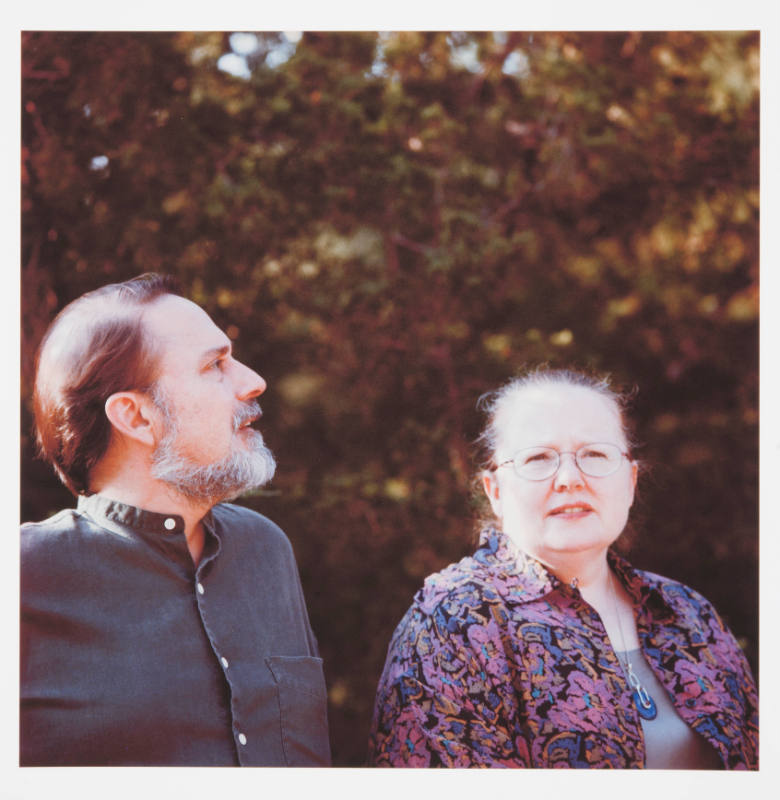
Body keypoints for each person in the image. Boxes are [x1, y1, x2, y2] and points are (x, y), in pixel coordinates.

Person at [369, 368, 758, 769]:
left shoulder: (688, 614)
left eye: (595, 454)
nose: (570, 479)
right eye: (538, 458)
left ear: (630, 480)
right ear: (496, 491)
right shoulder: (452, 621)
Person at [21, 273, 331, 766]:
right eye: (215, 365)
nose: (253, 381)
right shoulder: (23, 576)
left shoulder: (266, 549)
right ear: (137, 417)